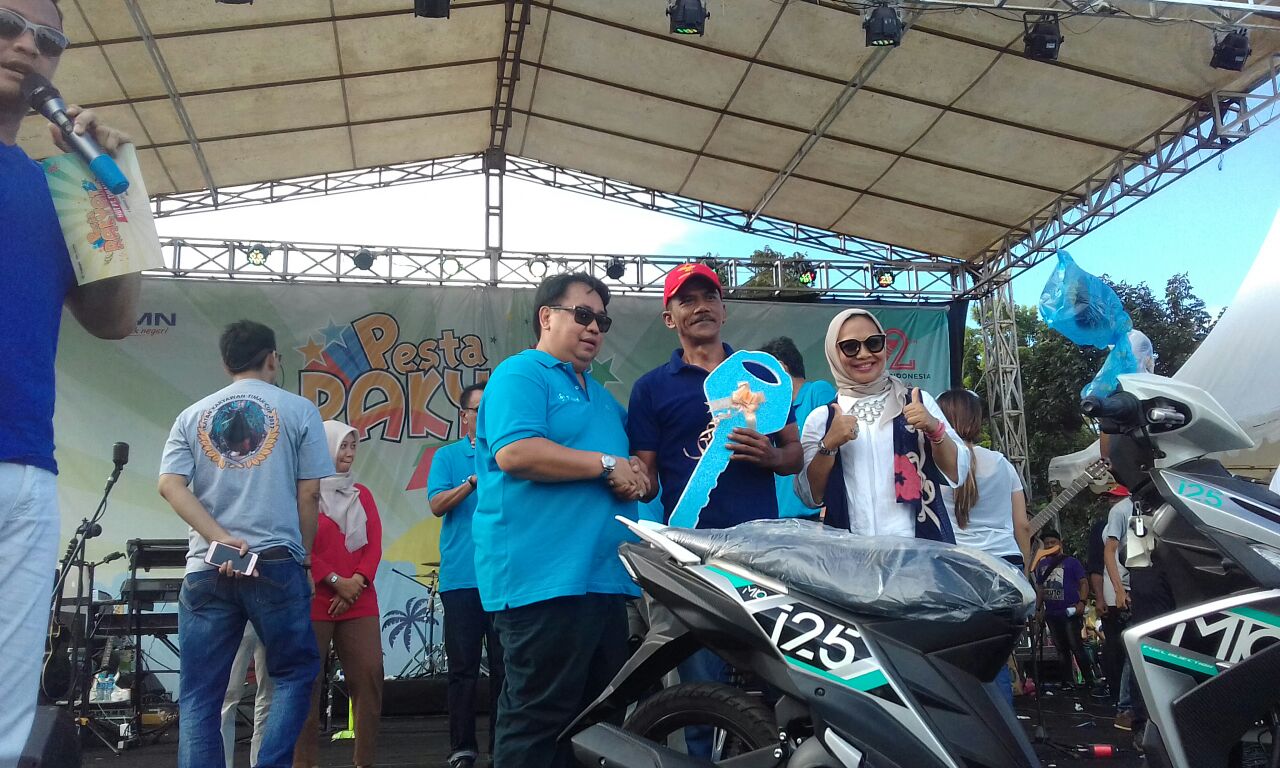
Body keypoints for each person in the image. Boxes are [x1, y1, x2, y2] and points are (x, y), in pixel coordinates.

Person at [1, 1, 140, 759]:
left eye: (49, 38)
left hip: (27, 468)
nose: (27, 44)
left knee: (6, 724)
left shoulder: (55, 185)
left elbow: (113, 318)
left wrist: (115, 190)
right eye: (6, 24)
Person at [626, 265, 802, 757]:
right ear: (670, 318)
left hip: (761, 554)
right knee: (698, 691)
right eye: (687, 300)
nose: (701, 306)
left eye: (709, 296)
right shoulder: (651, 389)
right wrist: (619, 475)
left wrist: (771, 457)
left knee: (780, 687)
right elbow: (646, 477)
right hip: (689, 558)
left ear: (724, 310)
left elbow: (794, 455)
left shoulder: (763, 378)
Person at [473, 273, 647, 768]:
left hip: (604, 581)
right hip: (543, 582)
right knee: (538, 721)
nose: (594, 328)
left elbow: (631, 467)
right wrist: (608, 464)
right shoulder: (521, 373)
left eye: (603, 321)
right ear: (546, 316)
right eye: (583, 315)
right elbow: (516, 452)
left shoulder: (602, 397)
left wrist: (635, 472)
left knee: (596, 726)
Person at [158, 320, 333, 768]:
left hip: (207, 566)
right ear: (272, 358)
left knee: (200, 694)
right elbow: (310, 495)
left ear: (226, 363)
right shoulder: (299, 410)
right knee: (294, 674)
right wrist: (305, 560)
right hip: (276, 562)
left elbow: (170, 485)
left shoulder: (191, 415)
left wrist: (219, 539)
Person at [796, 308, 968, 540]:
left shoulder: (918, 401)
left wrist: (934, 429)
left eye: (873, 343)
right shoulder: (822, 418)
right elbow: (811, 496)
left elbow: (958, 473)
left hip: (916, 548)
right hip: (850, 552)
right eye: (850, 346)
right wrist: (828, 445)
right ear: (834, 353)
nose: (864, 354)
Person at [294, 420, 384, 768]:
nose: (348, 453)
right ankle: (304, 762)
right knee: (307, 683)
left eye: (353, 446)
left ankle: (364, 761)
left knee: (369, 675)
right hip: (314, 598)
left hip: (359, 599)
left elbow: (373, 546)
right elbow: (299, 544)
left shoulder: (362, 495)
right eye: (342, 446)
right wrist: (335, 581)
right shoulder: (305, 493)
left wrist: (354, 584)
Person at [935, 388, 1029, 707]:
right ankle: (1002, 729)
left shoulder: (933, 465)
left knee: (952, 656)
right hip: (1004, 565)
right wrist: (1025, 572)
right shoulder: (1002, 464)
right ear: (977, 419)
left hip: (955, 566)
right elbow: (1022, 525)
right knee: (994, 660)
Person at [429, 382, 505, 768]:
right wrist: (472, 481)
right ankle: (462, 747)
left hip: (504, 576)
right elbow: (436, 504)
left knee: (505, 669)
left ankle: (502, 746)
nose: (487, 415)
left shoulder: (508, 453)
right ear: (465, 417)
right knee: (463, 669)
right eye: (479, 409)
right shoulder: (447, 456)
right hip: (462, 578)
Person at [760, 336, 836, 520]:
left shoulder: (817, 391)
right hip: (776, 521)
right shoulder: (774, 412)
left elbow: (838, 446)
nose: (760, 383)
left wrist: (830, 505)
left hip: (814, 517)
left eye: (762, 373)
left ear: (780, 368)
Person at [1032, 530, 1100, 692]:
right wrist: (1038, 608)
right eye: (1047, 543)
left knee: (1076, 646)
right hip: (1052, 613)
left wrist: (1082, 602)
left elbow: (1083, 583)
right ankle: (1067, 682)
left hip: (1070, 611)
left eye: (1053, 542)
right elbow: (1041, 588)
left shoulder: (1072, 563)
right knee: (1061, 649)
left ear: (1060, 543)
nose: (1050, 546)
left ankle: (1090, 680)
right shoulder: (1041, 565)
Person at [1100, 486, 1137, 727]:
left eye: (1113, 496)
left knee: (1131, 649)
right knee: (1130, 649)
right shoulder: (1120, 512)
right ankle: (1125, 707)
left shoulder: (1144, 507)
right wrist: (1119, 590)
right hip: (1125, 588)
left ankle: (1128, 705)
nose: (1110, 500)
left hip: (1136, 586)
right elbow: (1109, 552)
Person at [220, 625, 273, 768]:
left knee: (228, 700)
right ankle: (258, 762)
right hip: (265, 618)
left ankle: (258, 762)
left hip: (258, 620)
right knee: (267, 697)